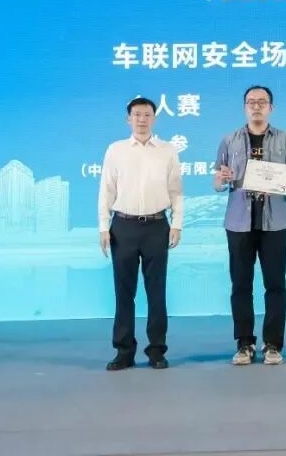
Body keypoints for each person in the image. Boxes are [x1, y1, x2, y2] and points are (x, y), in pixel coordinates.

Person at [213, 86, 286, 365]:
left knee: (275, 284)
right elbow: (217, 182)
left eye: (262, 102)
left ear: (271, 108)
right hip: (239, 221)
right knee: (241, 284)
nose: (256, 106)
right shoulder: (228, 140)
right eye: (251, 102)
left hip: (275, 221)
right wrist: (222, 179)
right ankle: (244, 343)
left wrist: (284, 182)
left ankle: (273, 344)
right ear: (244, 107)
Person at [98, 96, 183, 371]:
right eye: (137, 115)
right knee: (124, 292)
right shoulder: (116, 150)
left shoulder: (167, 150)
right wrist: (103, 227)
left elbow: (176, 191)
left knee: (156, 291)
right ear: (128, 119)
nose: (142, 119)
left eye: (147, 114)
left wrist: (177, 223)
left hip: (157, 226)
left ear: (154, 118)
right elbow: (106, 190)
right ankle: (124, 351)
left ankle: (157, 350)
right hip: (123, 226)